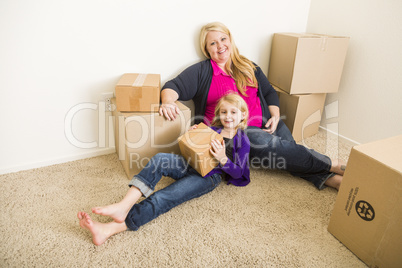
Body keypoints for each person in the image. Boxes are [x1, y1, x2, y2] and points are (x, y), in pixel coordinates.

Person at [159, 22, 346, 191]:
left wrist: (275, 116)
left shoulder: (248, 66)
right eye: (213, 43)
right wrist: (167, 102)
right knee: (276, 146)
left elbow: (269, 92)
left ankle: (328, 179)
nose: (220, 45)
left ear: (230, 40)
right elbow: (172, 86)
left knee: (288, 152)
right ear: (207, 50)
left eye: (223, 39)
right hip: (236, 132)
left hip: (266, 122)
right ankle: (332, 164)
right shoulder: (201, 71)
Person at [78, 93, 251, 245]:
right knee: (160, 159)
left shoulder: (243, 140)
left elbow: (239, 172)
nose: (228, 116)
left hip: (208, 177)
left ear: (243, 115)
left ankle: (109, 229)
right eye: (224, 112)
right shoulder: (212, 129)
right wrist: (194, 133)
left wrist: (222, 158)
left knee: (164, 197)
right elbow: (195, 148)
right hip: (190, 164)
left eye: (233, 112)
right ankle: (124, 205)